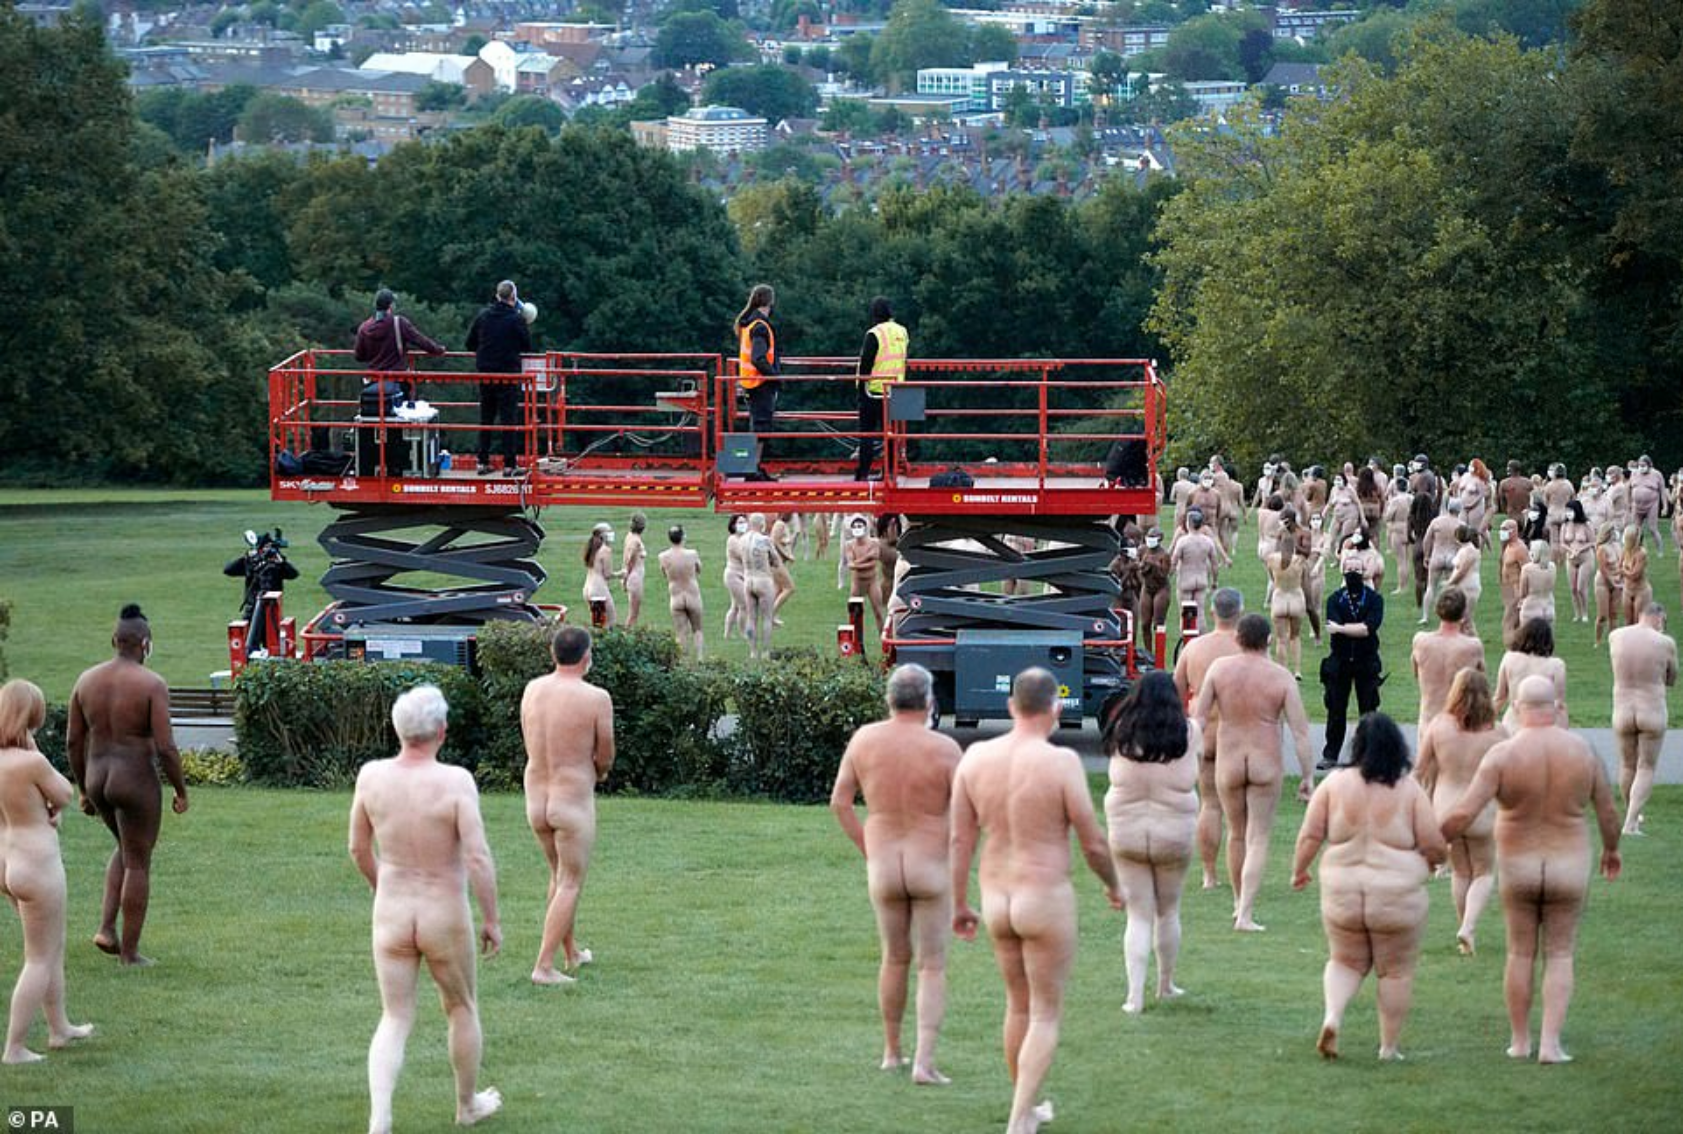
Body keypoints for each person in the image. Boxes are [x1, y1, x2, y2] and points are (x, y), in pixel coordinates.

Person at [950, 669, 1122, 1134]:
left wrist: (959, 902)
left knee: (1018, 1005)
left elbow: (960, 839)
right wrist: (1114, 885)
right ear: (1056, 709)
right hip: (1043, 896)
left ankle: (1026, 1107)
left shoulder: (975, 758)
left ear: (1011, 707)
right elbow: (1093, 843)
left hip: (997, 899)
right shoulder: (1060, 762)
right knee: (1045, 1012)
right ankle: (1019, 1120)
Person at [1442, 675, 1622, 1064]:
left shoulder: (1503, 755)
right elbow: (1608, 812)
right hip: (1568, 865)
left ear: (1517, 708)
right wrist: (1611, 850)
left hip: (1518, 866)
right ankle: (1550, 1045)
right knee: (1559, 954)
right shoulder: (1582, 751)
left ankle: (1520, 1041)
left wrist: (1432, 845)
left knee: (1520, 953)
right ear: (1556, 706)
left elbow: (1463, 812)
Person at [349, 685, 502, 1133]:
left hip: (392, 911)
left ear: (398, 729)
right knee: (461, 1007)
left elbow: (358, 848)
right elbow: (477, 857)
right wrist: (491, 919)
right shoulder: (456, 782)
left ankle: (379, 1119)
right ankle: (467, 1106)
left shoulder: (371, 777)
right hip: (443, 912)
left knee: (394, 1016)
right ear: (442, 731)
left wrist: (382, 886)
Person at [829, 664, 962, 1083]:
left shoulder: (864, 740)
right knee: (931, 965)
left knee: (894, 957)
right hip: (930, 864)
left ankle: (891, 1052)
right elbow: (966, 817)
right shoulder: (945, 749)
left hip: (884, 865)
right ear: (929, 701)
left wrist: (868, 848)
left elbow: (840, 803)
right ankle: (924, 1061)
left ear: (889, 699)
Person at [1292, 713, 1445, 1061]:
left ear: (1356, 745)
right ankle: (1388, 1047)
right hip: (1396, 895)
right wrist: (1434, 861)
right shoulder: (1409, 790)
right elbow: (1433, 843)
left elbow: (1310, 835)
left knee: (1344, 961)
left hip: (1342, 890)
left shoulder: (1334, 784)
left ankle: (1333, 1017)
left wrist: (1299, 870)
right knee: (1395, 972)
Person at [65, 604, 189, 966]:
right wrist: (181, 790)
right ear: (145, 644)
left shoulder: (86, 680)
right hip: (134, 780)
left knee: (124, 847)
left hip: (98, 777)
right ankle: (130, 954)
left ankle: (107, 929)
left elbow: (73, 741)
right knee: (138, 861)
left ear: (114, 640)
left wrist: (84, 789)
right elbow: (165, 747)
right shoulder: (151, 684)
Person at [1191, 614, 1315, 931]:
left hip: (1229, 760)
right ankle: (1245, 912)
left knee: (1236, 833)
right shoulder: (1281, 677)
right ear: (1269, 640)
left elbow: (1199, 719)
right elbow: (1301, 732)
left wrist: (1191, 755)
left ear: (1238, 639)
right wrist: (1307, 776)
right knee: (1257, 837)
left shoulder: (1219, 669)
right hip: (1265, 761)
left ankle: (1238, 903)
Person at [0, 680, 94, 1063]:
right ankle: (15, 1047)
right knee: (39, 957)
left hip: (7, 860)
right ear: (32, 717)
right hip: (36, 864)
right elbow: (64, 793)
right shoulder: (31, 763)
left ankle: (60, 1028)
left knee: (50, 946)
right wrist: (34, 748)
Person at [521, 625, 614, 985]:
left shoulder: (532, 690)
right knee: (571, 881)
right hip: (571, 799)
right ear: (587, 657)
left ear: (553, 653)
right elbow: (605, 753)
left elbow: (529, 738)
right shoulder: (596, 698)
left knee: (558, 876)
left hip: (536, 797)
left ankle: (571, 952)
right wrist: (599, 772)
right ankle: (543, 967)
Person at [1103, 672, 1199, 1015]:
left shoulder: (1121, 731)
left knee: (1138, 916)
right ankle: (1165, 984)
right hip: (1174, 832)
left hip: (1126, 831)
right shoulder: (1189, 732)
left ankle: (1134, 997)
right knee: (1167, 911)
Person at [1416, 668, 1506, 954]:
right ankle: (1468, 926)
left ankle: (1465, 934)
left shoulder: (1439, 726)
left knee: (1460, 871)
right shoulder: (1499, 732)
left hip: (1445, 810)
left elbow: (1419, 770)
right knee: (1484, 872)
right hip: (1482, 811)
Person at [1173, 587, 1244, 890]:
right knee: (1239, 814)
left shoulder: (1194, 649)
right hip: (1238, 736)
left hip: (1206, 734)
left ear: (1212, 612)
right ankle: (1239, 875)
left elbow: (1176, 690)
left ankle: (1209, 875)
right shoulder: (1248, 649)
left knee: (1210, 804)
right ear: (1240, 612)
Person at [1608, 603, 1676, 836]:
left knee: (1627, 765)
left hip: (1623, 709)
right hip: (1651, 710)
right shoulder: (1665, 642)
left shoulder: (1616, 636)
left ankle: (1632, 816)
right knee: (1646, 766)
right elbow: (1671, 678)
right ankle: (1630, 823)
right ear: (1659, 617)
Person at [464, 280, 533, 477]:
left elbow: (469, 343)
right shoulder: (516, 319)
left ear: (497, 296)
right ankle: (509, 465)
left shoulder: (483, 316)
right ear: (513, 297)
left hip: (486, 373)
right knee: (508, 419)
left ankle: (482, 462)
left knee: (486, 418)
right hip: (508, 375)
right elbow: (527, 346)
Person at [1319, 569, 1385, 772]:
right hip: (1340, 662)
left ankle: (1369, 754)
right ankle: (1330, 754)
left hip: (1366, 661)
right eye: (1348, 568)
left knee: (1368, 709)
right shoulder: (1335, 599)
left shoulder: (1374, 599)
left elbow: (1367, 629)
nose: (1352, 573)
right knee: (1335, 709)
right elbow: (1332, 624)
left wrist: (1341, 629)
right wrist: (1352, 628)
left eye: (1357, 568)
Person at [1410, 586, 1486, 736]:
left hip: (1428, 723)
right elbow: (1481, 684)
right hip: (1458, 727)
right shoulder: (1473, 646)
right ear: (1463, 613)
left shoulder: (1420, 641)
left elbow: (1416, 673)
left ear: (1437, 609)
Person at [354, 287, 446, 405]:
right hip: (397, 380)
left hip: (373, 381)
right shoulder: (398, 323)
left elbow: (359, 356)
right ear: (391, 306)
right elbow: (420, 340)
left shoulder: (364, 328)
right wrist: (439, 350)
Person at [853, 297, 907, 481]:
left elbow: (866, 364)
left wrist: (861, 387)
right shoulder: (902, 331)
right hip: (897, 389)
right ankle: (889, 473)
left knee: (867, 433)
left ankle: (863, 473)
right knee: (890, 433)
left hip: (874, 390)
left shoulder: (874, 333)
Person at [222, 530, 300, 657]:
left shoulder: (277, 564)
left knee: (274, 648)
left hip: (272, 612)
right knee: (248, 648)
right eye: (266, 547)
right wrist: (247, 558)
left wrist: (281, 562)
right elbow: (228, 570)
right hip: (253, 610)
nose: (269, 551)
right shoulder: (251, 561)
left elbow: (294, 574)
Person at [735, 283, 781, 481]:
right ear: (770, 302)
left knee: (757, 426)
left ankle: (753, 468)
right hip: (760, 383)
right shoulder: (760, 326)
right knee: (761, 427)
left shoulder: (750, 323)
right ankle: (752, 470)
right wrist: (774, 376)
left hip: (750, 382)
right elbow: (758, 358)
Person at [1493, 617, 1568, 732]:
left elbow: (1499, 698)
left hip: (1512, 725)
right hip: (1542, 728)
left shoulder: (1509, 658)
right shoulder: (1556, 665)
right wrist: (1563, 734)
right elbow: (1559, 706)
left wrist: (1484, 725)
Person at [1170, 508, 1228, 633]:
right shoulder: (1207, 541)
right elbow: (1214, 564)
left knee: (1185, 613)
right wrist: (1215, 581)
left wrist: (1169, 575)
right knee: (1200, 613)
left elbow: (1174, 561)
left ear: (1189, 523)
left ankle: (1186, 640)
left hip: (1185, 580)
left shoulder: (1183, 541)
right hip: (1201, 579)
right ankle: (1201, 637)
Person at [659, 526, 705, 661]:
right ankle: (700, 658)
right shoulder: (692, 554)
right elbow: (699, 569)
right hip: (692, 594)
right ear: (683, 537)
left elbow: (664, 573)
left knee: (680, 632)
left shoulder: (663, 556)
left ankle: (682, 660)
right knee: (697, 629)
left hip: (676, 596)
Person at [1265, 532, 1307, 679]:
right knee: (1295, 637)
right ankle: (1297, 670)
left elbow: (1271, 577)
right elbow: (1303, 580)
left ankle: (1282, 670)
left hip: (1279, 598)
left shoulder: (1272, 559)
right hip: (1296, 598)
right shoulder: (1300, 561)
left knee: (1281, 640)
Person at [743, 513, 779, 660]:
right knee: (767, 618)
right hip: (763, 579)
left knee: (751, 617)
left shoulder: (742, 539)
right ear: (761, 524)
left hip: (748, 580)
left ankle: (752, 651)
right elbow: (776, 560)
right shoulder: (764, 540)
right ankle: (765, 652)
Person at [842, 515, 885, 636]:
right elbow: (851, 565)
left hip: (872, 581)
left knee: (878, 612)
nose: (857, 529)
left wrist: (857, 563)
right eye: (855, 527)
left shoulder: (874, 542)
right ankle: (856, 640)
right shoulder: (849, 545)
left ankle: (883, 640)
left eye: (859, 526)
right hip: (857, 583)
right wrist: (866, 558)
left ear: (865, 528)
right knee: (854, 613)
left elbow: (874, 561)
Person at [582, 522, 623, 629]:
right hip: (598, 590)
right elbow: (607, 574)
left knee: (598, 623)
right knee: (610, 622)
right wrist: (621, 574)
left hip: (588, 588)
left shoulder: (593, 549)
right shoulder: (605, 550)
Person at [1559, 501, 1595, 623]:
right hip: (1571, 559)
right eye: (1567, 511)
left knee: (1581, 588)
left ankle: (1585, 612)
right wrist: (1571, 550)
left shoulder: (1586, 525)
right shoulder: (1565, 525)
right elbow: (1562, 543)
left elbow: (1592, 541)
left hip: (1585, 558)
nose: (1568, 513)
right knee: (1573, 589)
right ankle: (1577, 613)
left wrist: (1580, 549)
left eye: (1570, 511)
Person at [1136, 527, 1172, 647]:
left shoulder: (1164, 555)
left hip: (1161, 589)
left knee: (1158, 624)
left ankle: (1159, 652)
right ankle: (1148, 651)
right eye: (1148, 537)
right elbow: (1137, 566)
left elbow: (1164, 575)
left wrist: (1155, 565)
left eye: (1153, 537)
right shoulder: (1142, 550)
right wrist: (1142, 566)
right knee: (1145, 623)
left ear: (1159, 539)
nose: (1150, 540)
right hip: (1147, 588)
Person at [1445, 525, 1482, 633]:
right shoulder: (1464, 549)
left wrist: (1450, 583)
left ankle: (1472, 640)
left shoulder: (1469, 551)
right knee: (1461, 619)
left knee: (1466, 619)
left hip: (1467, 586)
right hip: (1463, 585)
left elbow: (1462, 570)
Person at [1593, 522, 1624, 647]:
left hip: (1617, 580)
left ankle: (1613, 641)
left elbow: (1622, 563)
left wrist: (1620, 578)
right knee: (1602, 616)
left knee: (1614, 614)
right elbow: (1603, 569)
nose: (1615, 533)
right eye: (1612, 531)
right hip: (1603, 582)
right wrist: (1613, 582)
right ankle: (1598, 641)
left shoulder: (1618, 545)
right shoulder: (1601, 548)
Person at [1629, 455, 1665, 556]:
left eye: (1643, 465)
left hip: (1652, 504)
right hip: (1636, 505)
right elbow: (1629, 488)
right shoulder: (1634, 474)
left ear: (1649, 465)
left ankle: (1660, 550)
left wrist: (1665, 506)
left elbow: (1662, 491)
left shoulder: (1657, 474)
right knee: (1636, 529)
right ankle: (1637, 549)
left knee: (1653, 528)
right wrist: (1628, 502)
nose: (1641, 467)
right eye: (1640, 465)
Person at [1518, 539, 1557, 629]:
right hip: (1549, 607)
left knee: (1527, 636)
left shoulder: (1527, 569)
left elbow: (1523, 593)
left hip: (1531, 608)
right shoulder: (1552, 567)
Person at [1619, 524, 1652, 627]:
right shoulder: (1625, 551)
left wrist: (1623, 571)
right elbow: (1618, 567)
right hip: (1627, 590)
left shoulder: (1641, 554)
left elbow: (1634, 575)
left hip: (1641, 591)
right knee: (1628, 622)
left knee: (1638, 622)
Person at [723, 516, 750, 641]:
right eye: (740, 522)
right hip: (733, 575)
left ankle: (727, 634)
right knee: (744, 605)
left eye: (744, 522)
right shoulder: (732, 540)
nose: (743, 525)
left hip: (743, 575)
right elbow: (742, 555)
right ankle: (743, 632)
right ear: (733, 525)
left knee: (735, 606)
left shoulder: (745, 538)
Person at [621, 512, 648, 629]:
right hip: (634, 578)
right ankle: (627, 634)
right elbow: (629, 560)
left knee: (634, 613)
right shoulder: (635, 541)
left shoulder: (630, 536)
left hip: (634, 576)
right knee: (633, 614)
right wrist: (625, 578)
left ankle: (628, 633)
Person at [770, 512, 797, 623]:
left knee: (778, 588)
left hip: (779, 561)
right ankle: (771, 614)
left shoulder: (783, 525)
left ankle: (770, 613)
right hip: (776, 562)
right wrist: (787, 555)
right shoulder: (779, 524)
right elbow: (774, 542)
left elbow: (781, 542)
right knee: (790, 588)